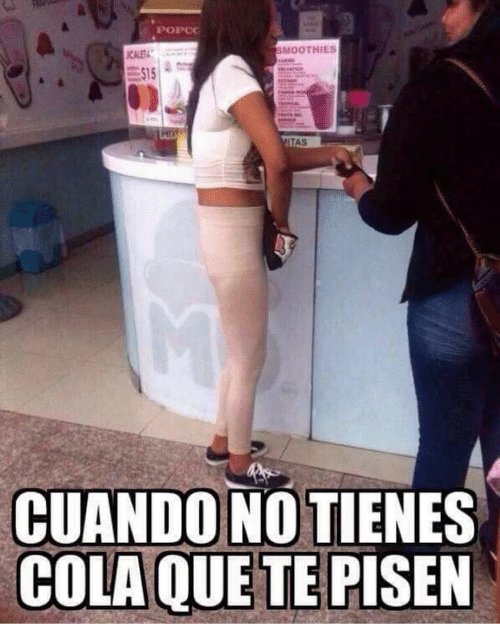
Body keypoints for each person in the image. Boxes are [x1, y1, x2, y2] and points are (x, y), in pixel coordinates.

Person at [343, 0, 500, 581]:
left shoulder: (437, 85)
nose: (443, 16)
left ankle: (420, 554)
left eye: (452, 3)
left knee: (445, 432)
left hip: (457, 292)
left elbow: (390, 212)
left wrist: (358, 186)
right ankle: (499, 545)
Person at [187, 0, 353, 490]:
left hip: (223, 233)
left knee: (238, 349)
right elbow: (276, 163)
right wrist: (280, 223)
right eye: (271, 20)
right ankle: (240, 470)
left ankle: (223, 444)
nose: (279, 31)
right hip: (234, 237)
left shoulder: (219, 74)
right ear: (246, 23)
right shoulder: (234, 72)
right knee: (249, 356)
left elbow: (272, 154)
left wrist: (330, 152)